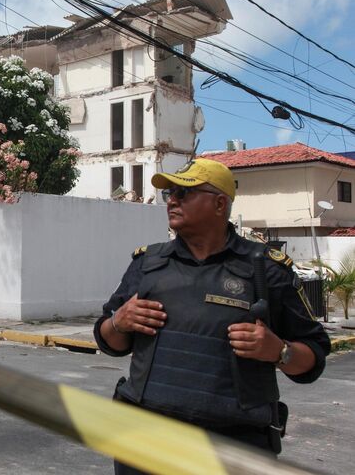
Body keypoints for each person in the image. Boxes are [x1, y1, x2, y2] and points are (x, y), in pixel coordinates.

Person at [93, 159, 330, 473]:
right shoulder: (147, 263)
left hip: (231, 449)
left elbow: (313, 358)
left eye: (184, 193)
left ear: (220, 204)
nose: (172, 200)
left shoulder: (267, 270)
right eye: (169, 194)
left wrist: (279, 351)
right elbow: (111, 342)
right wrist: (118, 322)